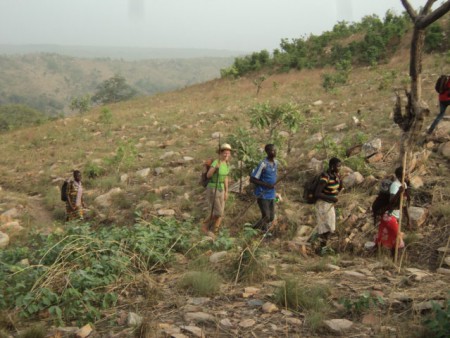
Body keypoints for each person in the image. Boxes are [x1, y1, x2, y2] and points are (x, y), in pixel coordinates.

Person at [201, 143, 232, 236]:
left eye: (228, 153)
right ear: (220, 153)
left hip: (221, 189)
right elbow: (208, 175)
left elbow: (225, 178)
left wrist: (226, 191)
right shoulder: (216, 162)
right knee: (218, 212)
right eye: (225, 153)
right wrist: (215, 169)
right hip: (213, 188)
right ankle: (204, 226)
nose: (227, 155)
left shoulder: (227, 163)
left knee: (221, 214)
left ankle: (215, 232)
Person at [250, 144, 280, 235]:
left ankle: (258, 229)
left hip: (271, 194)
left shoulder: (276, 163)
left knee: (271, 217)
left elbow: (273, 177)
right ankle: (256, 230)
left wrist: (276, 192)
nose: (274, 152)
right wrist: (266, 185)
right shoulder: (263, 164)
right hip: (262, 193)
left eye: (275, 150)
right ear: (267, 152)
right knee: (266, 216)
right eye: (271, 151)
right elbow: (252, 179)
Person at [314, 157, 343, 251]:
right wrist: (331, 198)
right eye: (338, 166)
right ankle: (322, 247)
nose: (339, 168)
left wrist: (340, 181)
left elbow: (338, 188)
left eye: (340, 166)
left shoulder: (336, 175)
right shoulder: (325, 177)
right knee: (325, 227)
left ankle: (322, 246)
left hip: (330, 203)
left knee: (330, 227)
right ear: (332, 166)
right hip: (322, 204)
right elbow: (317, 193)